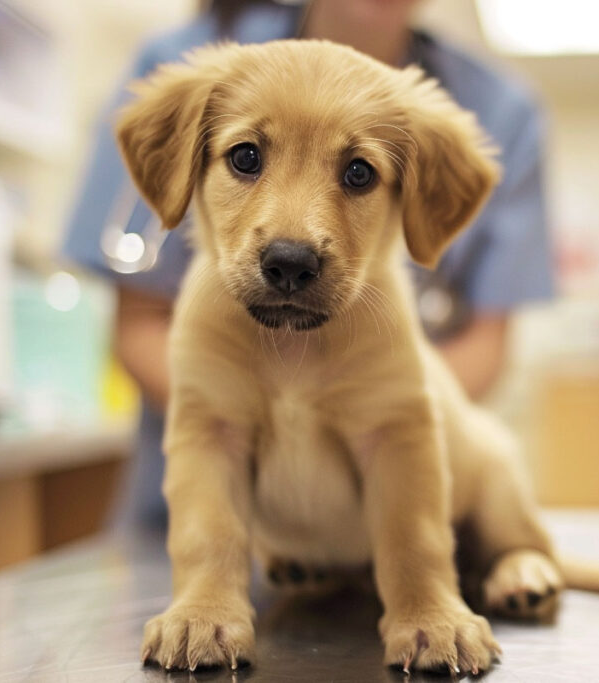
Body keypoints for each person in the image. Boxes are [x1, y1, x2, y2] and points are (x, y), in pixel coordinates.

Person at [62, 0, 554, 527]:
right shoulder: (187, 63)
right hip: (201, 509)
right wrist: (253, 433)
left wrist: (368, 436)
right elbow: (138, 325)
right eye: (246, 159)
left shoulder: (499, 110)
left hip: (372, 515)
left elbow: (485, 345)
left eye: (360, 175)